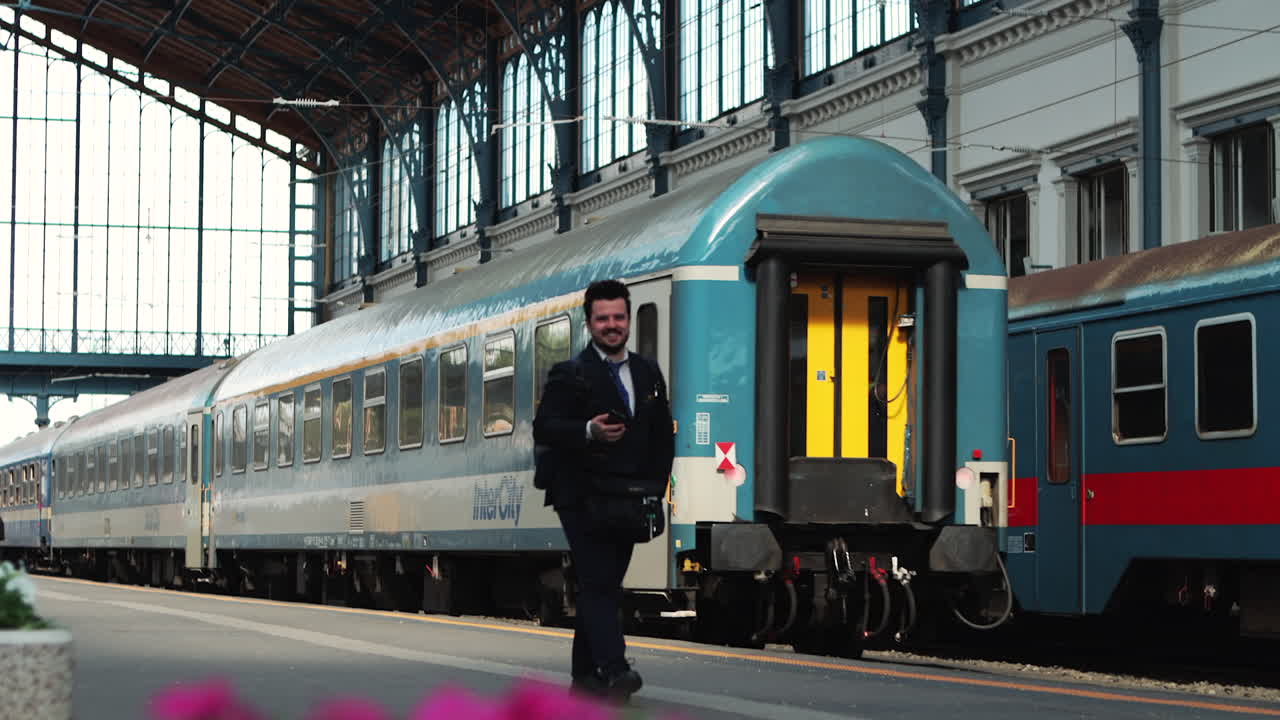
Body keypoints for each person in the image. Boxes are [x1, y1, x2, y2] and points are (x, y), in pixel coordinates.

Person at [533, 279, 674, 701]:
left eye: (618, 317)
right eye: (602, 319)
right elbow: (545, 429)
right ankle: (613, 668)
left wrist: (656, 487)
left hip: (629, 496)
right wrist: (589, 431)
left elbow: (661, 434)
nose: (611, 326)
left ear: (628, 319)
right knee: (596, 580)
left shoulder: (648, 372)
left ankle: (583, 679)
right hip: (581, 495)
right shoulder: (570, 374)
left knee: (607, 583)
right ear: (589, 323)